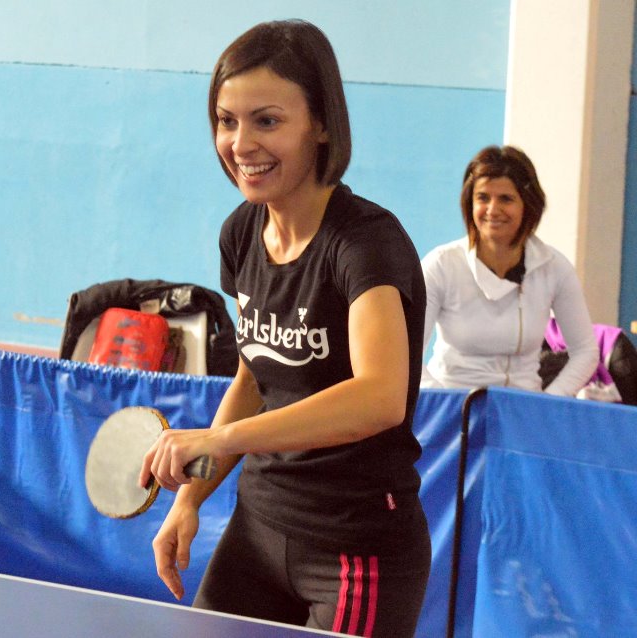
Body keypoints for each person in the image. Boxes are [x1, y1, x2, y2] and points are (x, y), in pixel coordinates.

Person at [138, 20, 430, 637]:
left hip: (354, 551)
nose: (241, 143)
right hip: (259, 529)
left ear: (320, 124)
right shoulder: (242, 233)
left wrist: (219, 442)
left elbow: (380, 397)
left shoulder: (365, 245)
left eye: (266, 121)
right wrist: (191, 497)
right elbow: (255, 370)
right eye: (226, 120)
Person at [420, 145, 598, 395]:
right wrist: (445, 404)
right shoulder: (441, 265)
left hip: (523, 412)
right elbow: (404, 356)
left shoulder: (555, 268)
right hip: (452, 410)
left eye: (506, 199)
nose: (492, 210)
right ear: (469, 203)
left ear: (528, 204)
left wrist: (546, 404)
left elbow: (585, 352)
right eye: (483, 198)